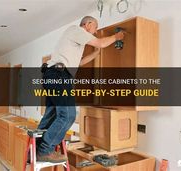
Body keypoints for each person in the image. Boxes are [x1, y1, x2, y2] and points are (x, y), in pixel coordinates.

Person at [36, 16, 124, 163]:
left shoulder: (74, 41)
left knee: (51, 116)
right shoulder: (76, 30)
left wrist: (95, 54)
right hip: (59, 76)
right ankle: (45, 151)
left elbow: (78, 63)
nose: (95, 32)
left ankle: (37, 146)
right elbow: (101, 43)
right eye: (95, 28)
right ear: (88, 24)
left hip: (55, 76)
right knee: (68, 115)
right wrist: (116, 37)